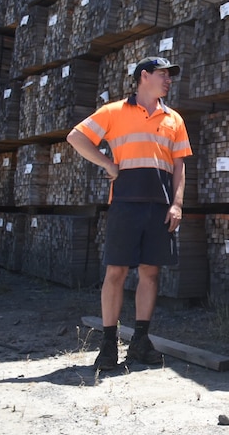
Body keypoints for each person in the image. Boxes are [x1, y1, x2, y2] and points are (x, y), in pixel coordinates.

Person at [67, 56, 192, 370]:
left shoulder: (174, 119)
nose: (168, 80)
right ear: (144, 76)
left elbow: (179, 167)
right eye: (163, 75)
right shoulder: (114, 111)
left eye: (169, 76)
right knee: (116, 273)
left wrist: (177, 204)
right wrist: (107, 163)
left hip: (160, 207)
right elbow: (76, 137)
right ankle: (108, 344)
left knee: (151, 273)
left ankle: (140, 341)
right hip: (124, 203)